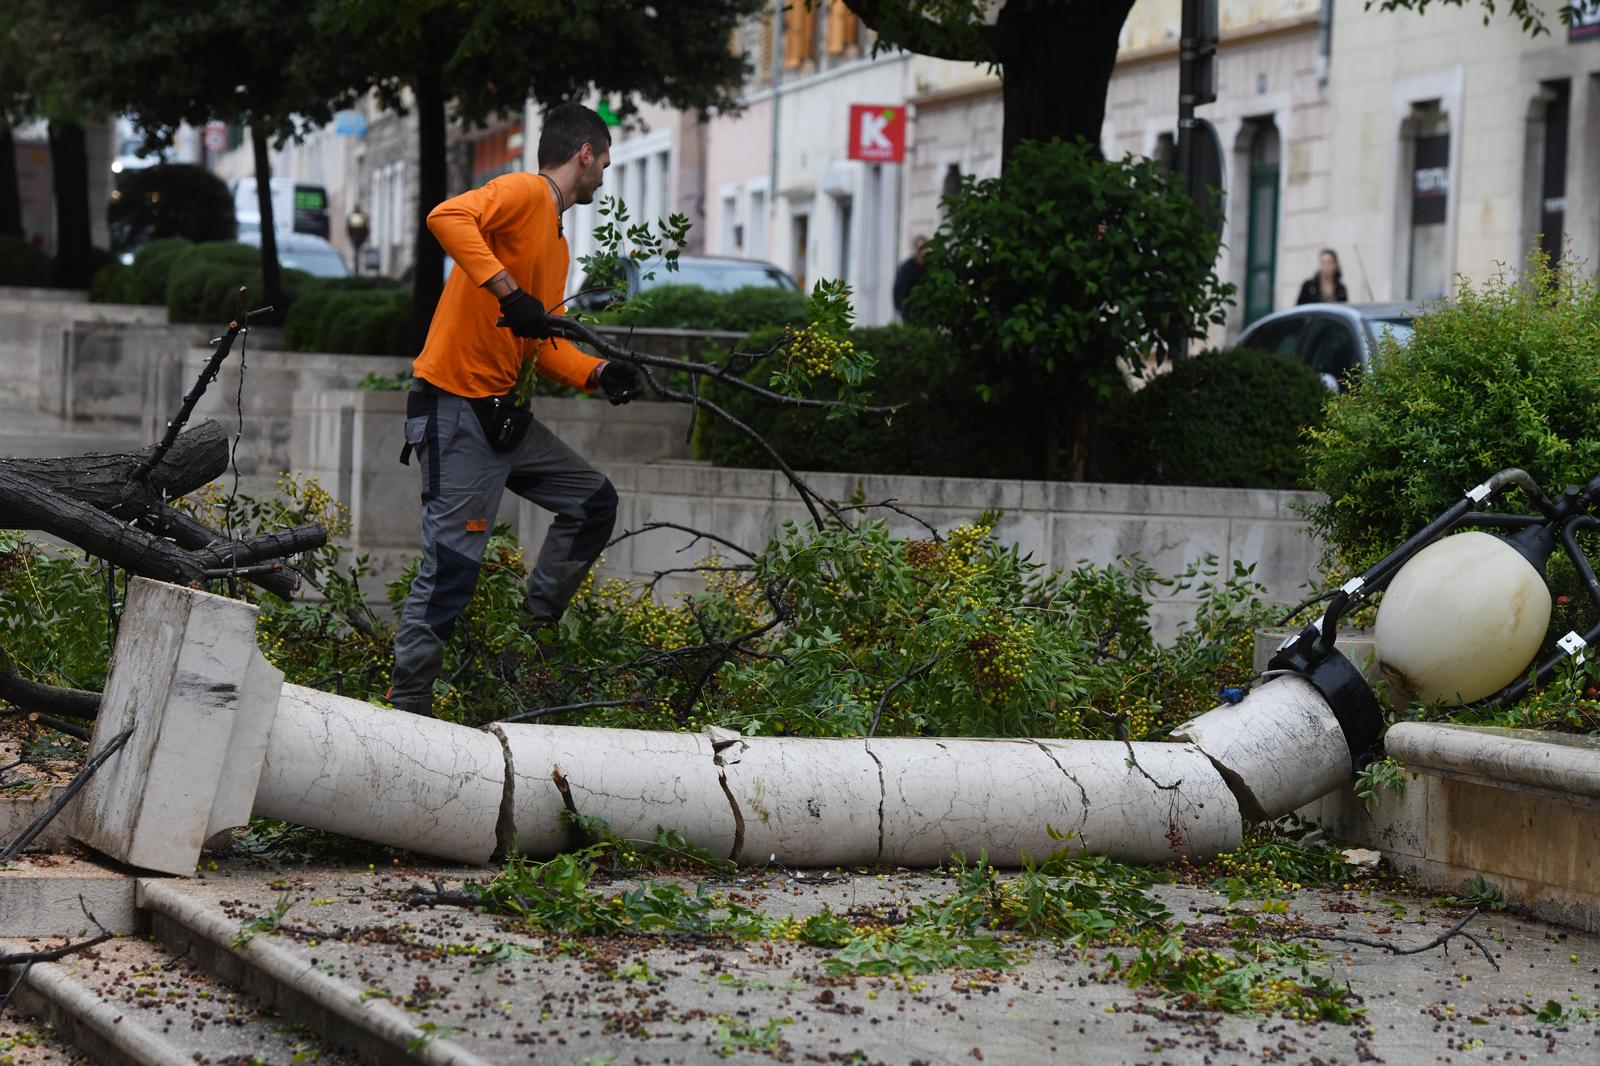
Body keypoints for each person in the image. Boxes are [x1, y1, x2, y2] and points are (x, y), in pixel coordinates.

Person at [387, 102, 641, 717]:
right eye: (605, 158)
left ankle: (525, 650)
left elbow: (539, 341)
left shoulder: (555, 241)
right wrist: (508, 290)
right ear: (585, 151)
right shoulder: (527, 192)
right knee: (450, 567)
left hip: (502, 414)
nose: (606, 172)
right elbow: (446, 216)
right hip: (457, 406)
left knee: (592, 503)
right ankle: (407, 708)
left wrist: (599, 371)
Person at [892, 235, 929, 321]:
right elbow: (899, 290)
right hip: (910, 314)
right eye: (920, 249)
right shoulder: (906, 268)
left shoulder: (931, 267)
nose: (922, 252)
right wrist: (902, 310)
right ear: (915, 250)